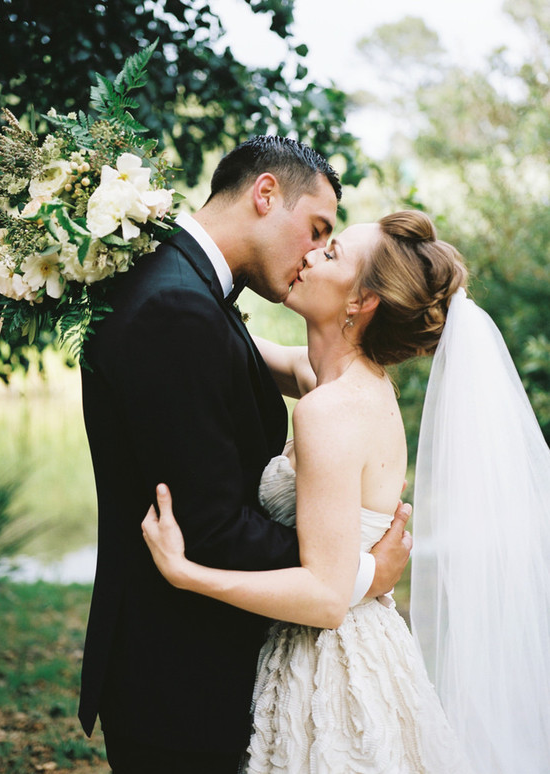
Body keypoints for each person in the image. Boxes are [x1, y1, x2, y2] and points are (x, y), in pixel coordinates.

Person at [78, 136, 412, 774]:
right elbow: (211, 530)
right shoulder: (179, 306)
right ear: (265, 194)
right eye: (316, 229)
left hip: (197, 672)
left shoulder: (190, 287)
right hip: (182, 682)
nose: (315, 253)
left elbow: (269, 366)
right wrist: (359, 573)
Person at [142, 210, 475, 773]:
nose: (312, 253)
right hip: (344, 637)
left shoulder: (331, 410)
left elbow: (324, 597)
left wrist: (185, 574)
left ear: (360, 302)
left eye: (333, 251)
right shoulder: (328, 377)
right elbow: (223, 338)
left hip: (334, 669)